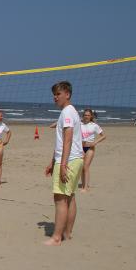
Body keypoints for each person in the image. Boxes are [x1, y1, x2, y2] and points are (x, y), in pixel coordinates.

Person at [44, 81, 84, 246]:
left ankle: (57, 237)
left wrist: (62, 165)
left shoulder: (67, 112)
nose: (55, 97)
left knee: (60, 199)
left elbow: (67, 140)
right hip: (74, 159)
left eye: (58, 94)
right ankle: (67, 233)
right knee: (70, 197)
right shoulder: (70, 112)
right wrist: (53, 162)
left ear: (67, 94)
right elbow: (61, 142)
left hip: (69, 160)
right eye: (54, 94)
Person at [80, 108, 106, 192]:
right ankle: (83, 185)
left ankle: (86, 188)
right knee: (81, 167)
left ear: (91, 116)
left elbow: (103, 136)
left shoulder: (94, 125)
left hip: (90, 148)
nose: (86, 116)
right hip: (80, 147)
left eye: (88, 115)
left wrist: (95, 142)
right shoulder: (79, 124)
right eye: (85, 115)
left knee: (86, 167)